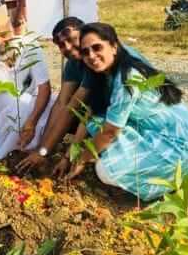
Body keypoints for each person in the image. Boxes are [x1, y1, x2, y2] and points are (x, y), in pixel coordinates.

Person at [60, 23, 188, 201]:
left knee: (104, 170)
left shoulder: (127, 77)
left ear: (114, 46)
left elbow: (111, 132)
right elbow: (89, 116)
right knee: (95, 123)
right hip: (158, 132)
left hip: (180, 145)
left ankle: (177, 180)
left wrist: (82, 159)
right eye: (85, 52)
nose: (91, 55)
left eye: (97, 47)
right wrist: (69, 155)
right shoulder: (105, 74)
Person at [14, 17, 154, 175]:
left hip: (140, 120)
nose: (67, 47)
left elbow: (73, 108)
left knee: (104, 163)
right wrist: (43, 148)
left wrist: (46, 152)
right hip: (109, 114)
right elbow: (64, 103)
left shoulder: (100, 61)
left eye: (72, 39)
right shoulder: (76, 62)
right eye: (61, 45)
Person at [0, 19, 56, 160]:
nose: (0, 42)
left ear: (12, 31)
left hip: (25, 98)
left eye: (3, 35)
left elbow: (44, 88)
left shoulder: (30, 46)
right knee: (23, 107)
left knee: (55, 102)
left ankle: (38, 149)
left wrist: (31, 122)